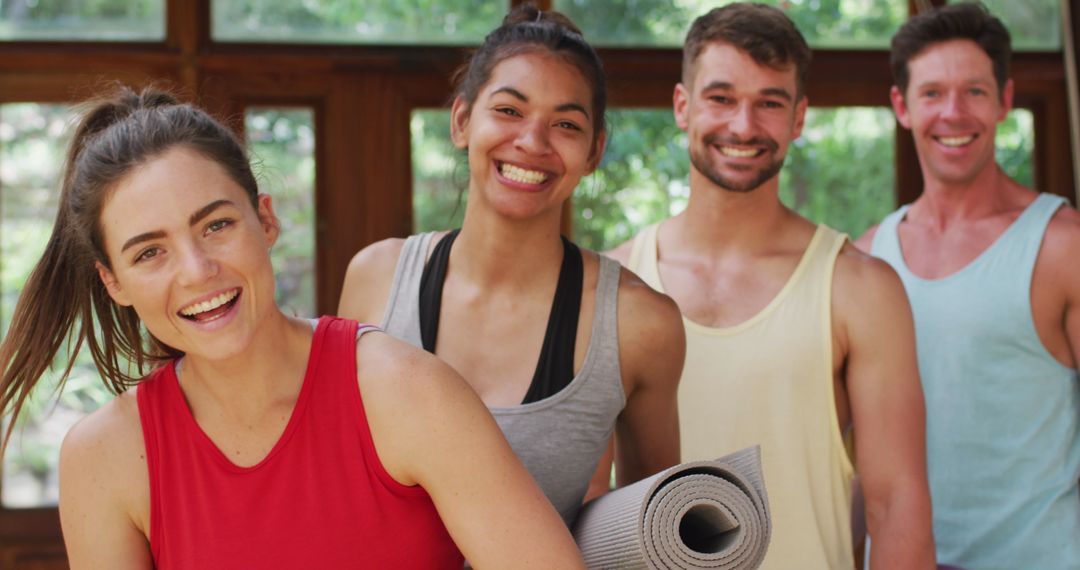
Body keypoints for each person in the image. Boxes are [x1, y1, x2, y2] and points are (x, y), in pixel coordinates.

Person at [0, 85, 586, 569]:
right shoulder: (105, 456)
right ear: (114, 283)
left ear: (266, 220)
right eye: (149, 253)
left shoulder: (406, 394)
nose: (198, 272)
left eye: (216, 226)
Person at [606, 4, 934, 568]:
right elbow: (583, 498)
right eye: (722, 98)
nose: (743, 125)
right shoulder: (613, 283)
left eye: (770, 103)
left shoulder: (859, 287)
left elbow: (896, 503)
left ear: (799, 117)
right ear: (683, 106)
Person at [337, 5, 684, 527]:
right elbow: (334, 478)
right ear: (461, 121)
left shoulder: (639, 324)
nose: (533, 142)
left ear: (594, 152)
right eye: (508, 110)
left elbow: (654, 534)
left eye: (566, 123)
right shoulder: (377, 278)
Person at [856, 3, 1080, 568]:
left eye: (974, 92)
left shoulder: (1063, 247)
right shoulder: (865, 256)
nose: (953, 113)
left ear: (1005, 100)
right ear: (902, 107)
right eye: (932, 93)